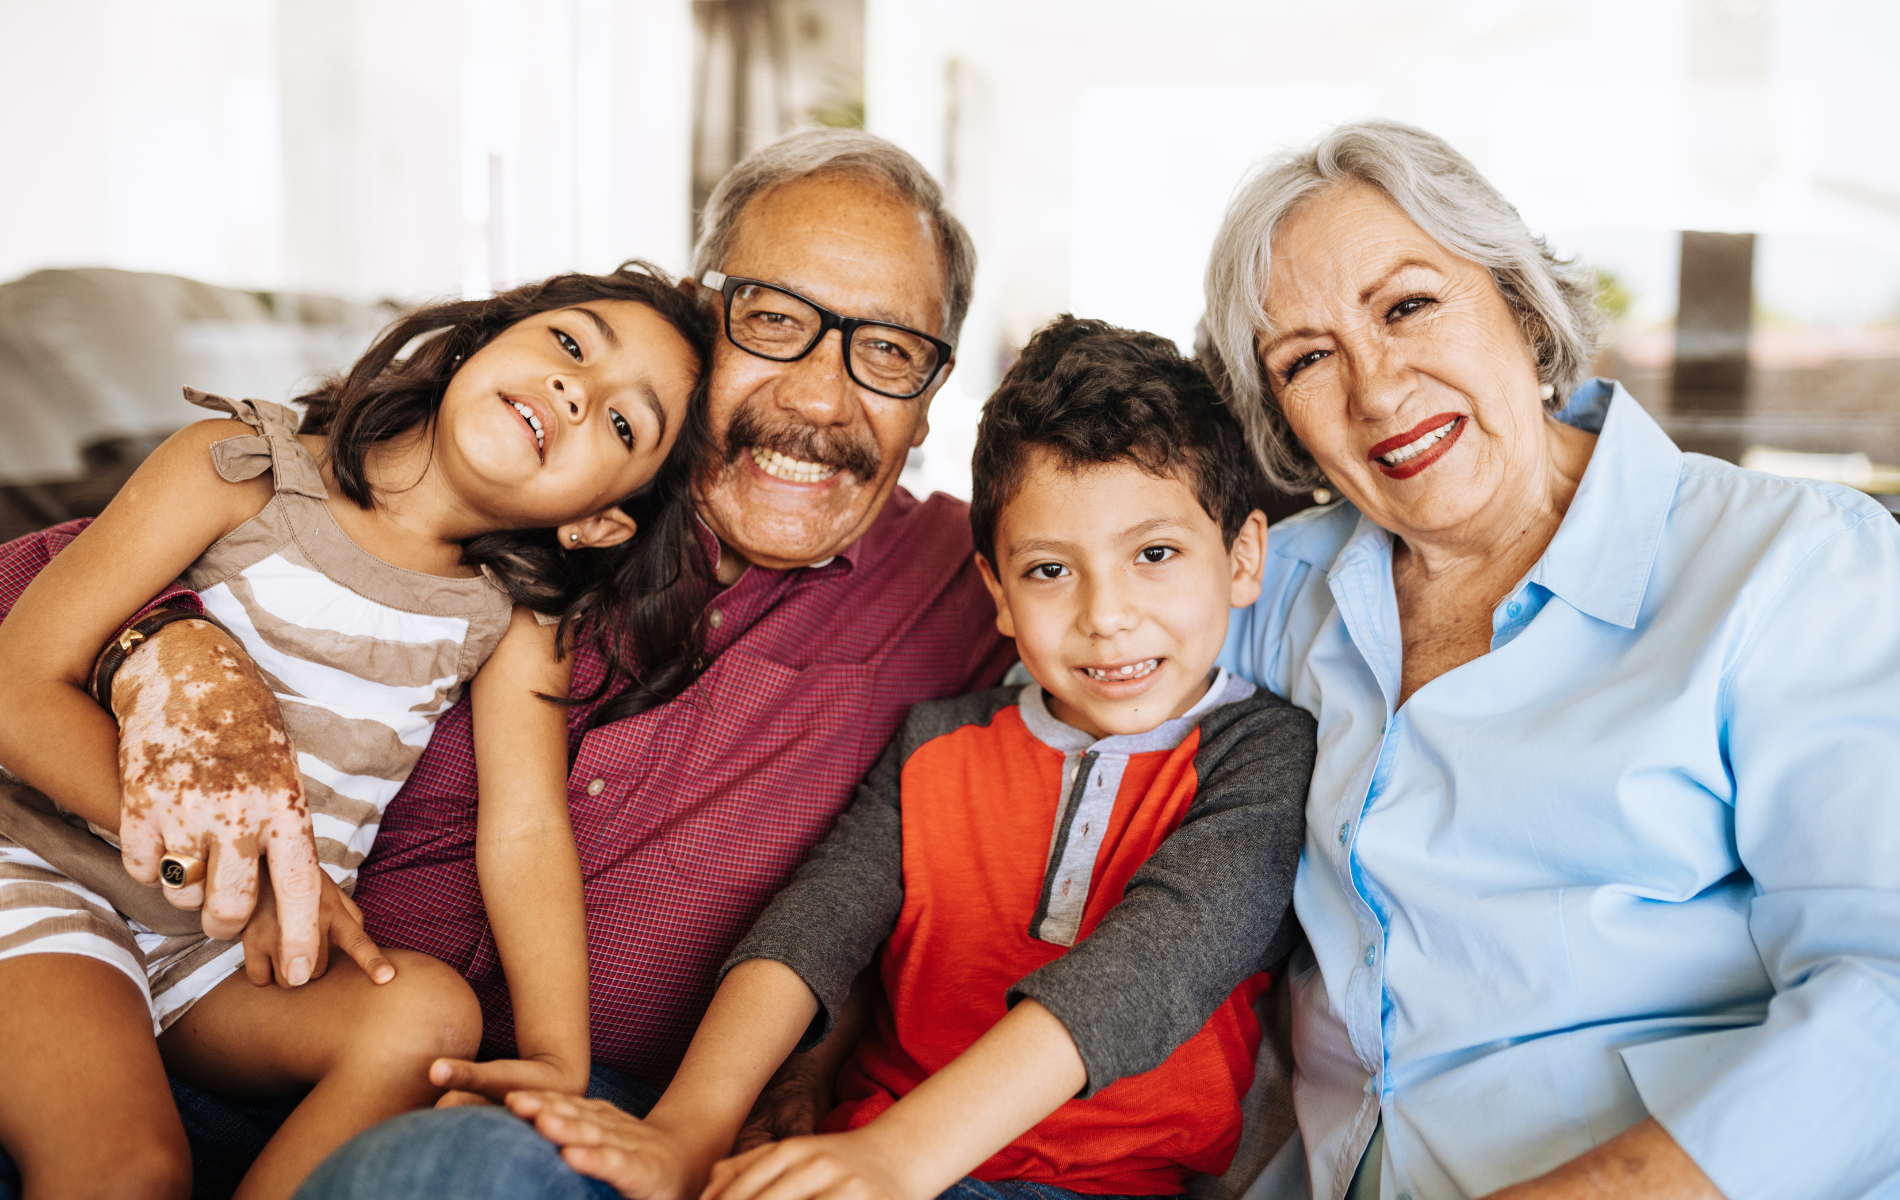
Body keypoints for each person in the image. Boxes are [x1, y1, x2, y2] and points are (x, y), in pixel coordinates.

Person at [0, 129, 1016, 1193]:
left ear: (933, 396)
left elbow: (1140, 609)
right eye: (774, 320)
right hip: (106, 927)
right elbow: (38, 616)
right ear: (703, 320)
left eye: (891, 349)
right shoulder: (408, 496)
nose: (818, 397)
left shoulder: (976, 582)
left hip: (342, 1036)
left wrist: (580, 1065)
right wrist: (165, 645)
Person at [297, 317, 1315, 1200]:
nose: (1106, 616)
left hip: (1067, 1185)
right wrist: (685, 1131)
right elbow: (814, 926)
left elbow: (1157, 967)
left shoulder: (1261, 755)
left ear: (1242, 560)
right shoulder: (938, 742)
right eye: (1049, 570)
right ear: (997, 596)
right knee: (440, 1170)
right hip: (841, 1157)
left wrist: (896, 1162)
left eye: (1155, 555)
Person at [1194, 119, 1900, 1199]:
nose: (1376, 391)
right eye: (1307, 360)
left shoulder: (1788, 565)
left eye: (1407, 305)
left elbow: (1884, 990)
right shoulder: (1267, 591)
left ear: (1521, 312)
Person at [0, 263, 711, 1199]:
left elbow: (528, 828)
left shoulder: (511, 619)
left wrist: (555, 1062)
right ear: (476, 342)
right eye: (571, 344)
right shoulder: (239, 465)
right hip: (55, 876)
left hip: (231, 956)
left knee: (430, 1015)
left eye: (625, 424)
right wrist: (241, 864)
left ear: (599, 524)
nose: (580, 391)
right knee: (130, 1171)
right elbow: (16, 690)